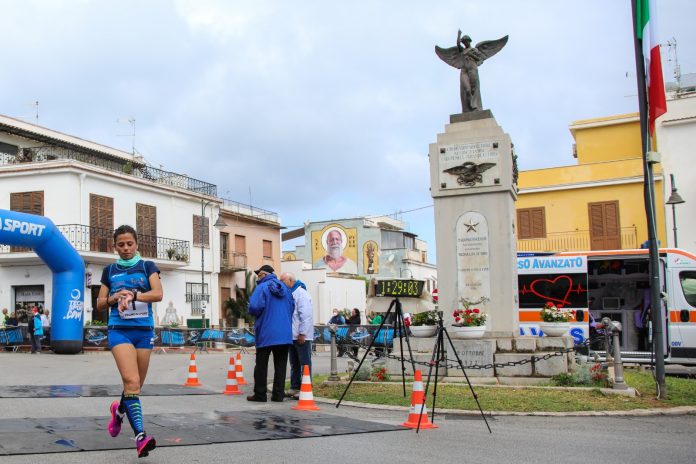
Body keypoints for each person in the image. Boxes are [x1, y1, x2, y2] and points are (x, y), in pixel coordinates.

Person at [96, 225, 162, 458]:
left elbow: (158, 293)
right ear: (115, 246)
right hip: (119, 330)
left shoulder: (147, 266)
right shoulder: (109, 270)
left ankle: (118, 410)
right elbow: (100, 303)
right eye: (121, 244)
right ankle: (141, 438)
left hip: (144, 332)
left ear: (136, 244)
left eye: (129, 244)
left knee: (134, 388)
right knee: (131, 380)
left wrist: (135, 295)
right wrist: (114, 297)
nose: (125, 248)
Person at [247, 265, 294, 403]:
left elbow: (254, 307)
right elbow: (292, 307)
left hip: (266, 332)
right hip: (284, 333)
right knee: (281, 365)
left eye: (258, 275)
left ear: (263, 274)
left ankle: (260, 395)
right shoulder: (285, 288)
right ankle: (278, 395)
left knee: (261, 365)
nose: (258, 278)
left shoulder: (262, 288)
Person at [435, 30, 508, 113]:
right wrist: (459, 36)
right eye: (463, 42)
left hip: (472, 70)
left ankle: (475, 107)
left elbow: (478, 59)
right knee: (467, 90)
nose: (465, 43)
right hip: (464, 71)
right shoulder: (461, 51)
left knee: (474, 89)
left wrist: (470, 54)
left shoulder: (475, 50)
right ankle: (468, 107)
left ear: (469, 41)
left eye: (466, 41)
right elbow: (458, 45)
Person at [279, 272, 314, 400]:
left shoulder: (301, 293)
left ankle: (306, 387)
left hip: (301, 336)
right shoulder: (290, 293)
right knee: (294, 363)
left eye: (283, 281)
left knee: (304, 363)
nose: (281, 283)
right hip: (292, 336)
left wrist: (302, 333)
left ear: (290, 280)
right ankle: (295, 387)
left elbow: (305, 315)